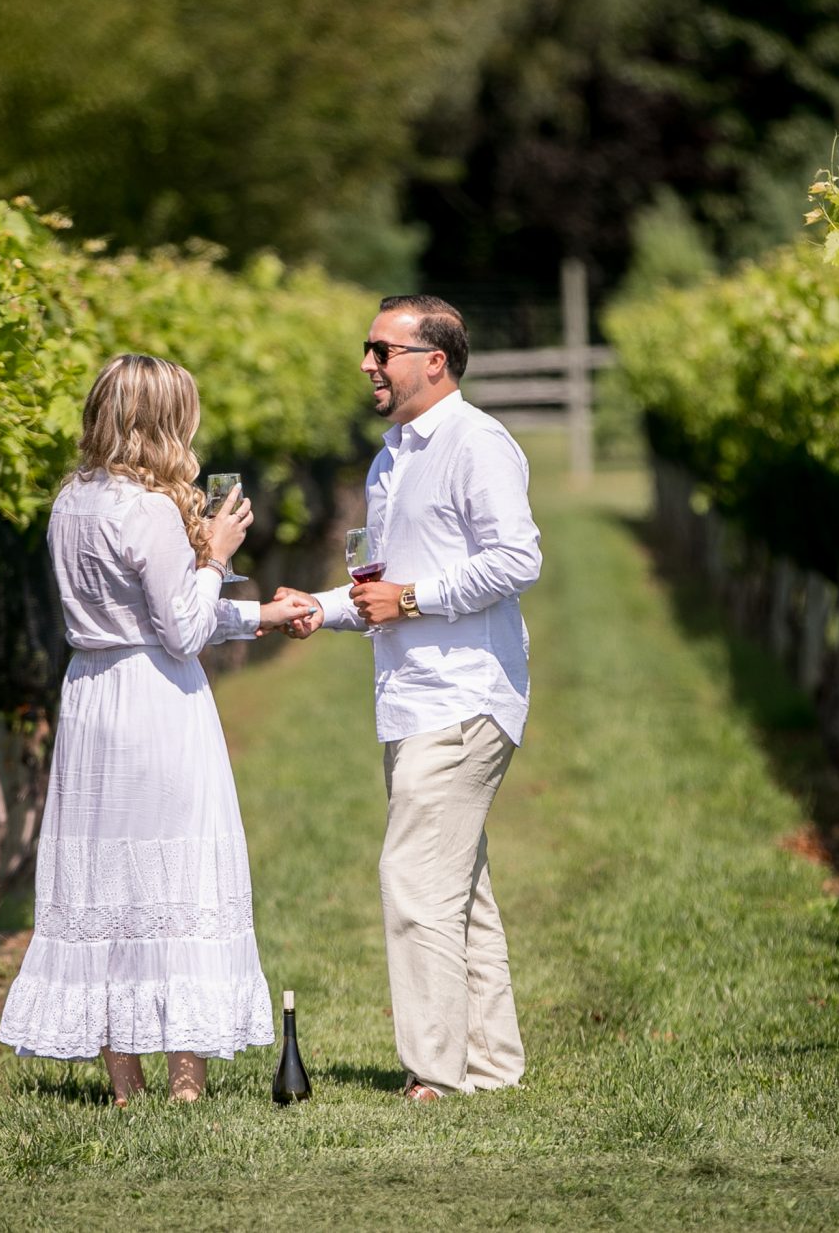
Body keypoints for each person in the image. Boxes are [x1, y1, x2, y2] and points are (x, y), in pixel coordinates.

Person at [0, 353, 314, 1105]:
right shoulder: (150, 508)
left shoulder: (71, 500)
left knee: (110, 875)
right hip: (156, 704)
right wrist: (220, 555)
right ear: (164, 422)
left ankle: (123, 1084)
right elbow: (179, 630)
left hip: (93, 694)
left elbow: (145, 617)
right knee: (178, 869)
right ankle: (185, 1086)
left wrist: (259, 613)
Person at [274, 294, 541, 1102]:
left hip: (460, 699)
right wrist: (320, 608)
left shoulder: (475, 442)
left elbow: (517, 558)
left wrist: (416, 599)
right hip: (412, 701)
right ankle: (489, 1066)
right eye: (367, 348)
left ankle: (435, 1073)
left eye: (381, 349)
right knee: (458, 890)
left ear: (435, 360)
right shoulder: (391, 457)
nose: (366, 364)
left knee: (414, 880)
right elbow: (379, 589)